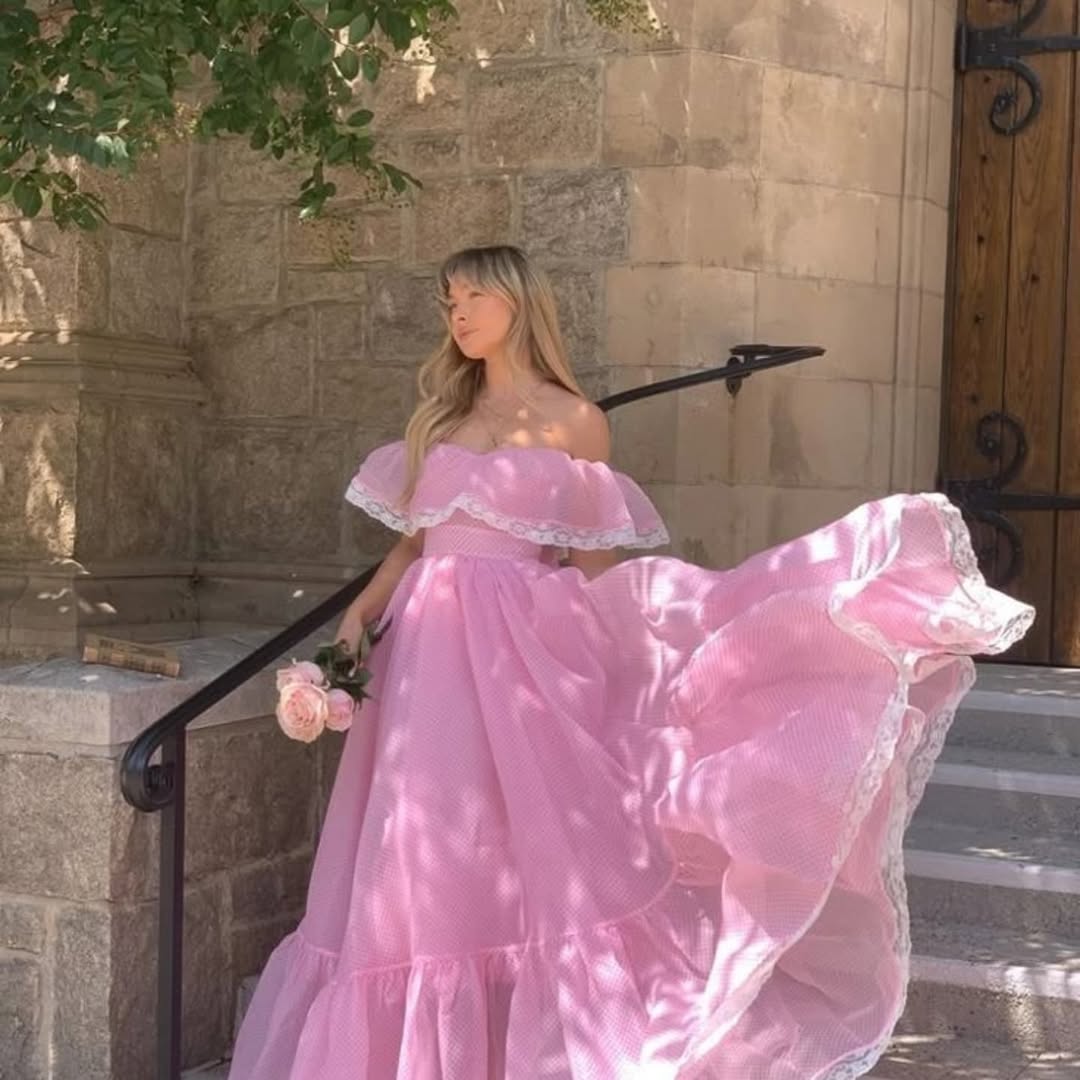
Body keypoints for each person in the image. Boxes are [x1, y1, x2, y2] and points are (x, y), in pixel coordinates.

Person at [228, 245, 1033, 1079]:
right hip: (424, 659)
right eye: (447, 300)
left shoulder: (575, 421)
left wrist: (648, 653)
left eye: (474, 296)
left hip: (517, 661)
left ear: (518, 303)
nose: (457, 313)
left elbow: (591, 565)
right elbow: (412, 546)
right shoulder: (437, 417)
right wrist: (356, 623)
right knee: (422, 845)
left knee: (518, 844)